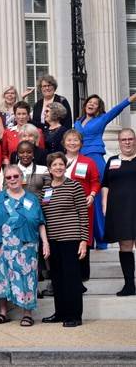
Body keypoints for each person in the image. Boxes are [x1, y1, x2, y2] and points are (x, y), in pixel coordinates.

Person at [0, 164, 48, 327]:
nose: (12, 180)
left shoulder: (31, 198)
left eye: (15, 176)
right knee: (0, 276)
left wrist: (45, 242)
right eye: (8, 177)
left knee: (27, 277)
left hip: (25, 245)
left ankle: (27, 313)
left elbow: (40, 222)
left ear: (22, 178)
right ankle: (2, 312)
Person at [75, 93, 136, 249]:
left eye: (96, 103)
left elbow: (117, 109)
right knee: (83, 198)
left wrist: (131, 98)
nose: (92, 104)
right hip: (81, 161)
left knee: (96, 199)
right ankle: (87, 240)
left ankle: (102, 239)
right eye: (90, 101)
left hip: (95, 159)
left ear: (98, 108)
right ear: (85, 104)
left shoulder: (101, 119)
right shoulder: (77, 122)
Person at [40, 152, 89, 327]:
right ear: (49, 169)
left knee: (72, 279)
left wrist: (84, 241)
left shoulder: (74, 186)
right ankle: (60, 313)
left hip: (71, 239)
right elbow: (42, 215)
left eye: (61, 164)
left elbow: (83, 215)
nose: (58, 168)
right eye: (55, 165)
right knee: (57, 278)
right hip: (53, 240)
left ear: (65, 166)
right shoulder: (46, 190)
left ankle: (75, 315)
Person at [62, 129, 100, 281]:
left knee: (83, 238)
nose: (72, 143)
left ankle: (83, 276)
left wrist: (92, 194)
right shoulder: (58, 160)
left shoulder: (88, 162)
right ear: (64, 143)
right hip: (62, 210)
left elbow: (95, 181)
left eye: (76, 140)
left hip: (82, 207)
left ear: (81, 143)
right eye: (69, 140)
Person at [101, 128, 136, 296]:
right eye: (124, 140)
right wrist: (104, 205)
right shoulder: (112, 161)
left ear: (135, 140)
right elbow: (105, 184)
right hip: (120, 210)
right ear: (120, 142)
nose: (127, 142)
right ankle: (129, 284)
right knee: (125, 246)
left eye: (130, 139)